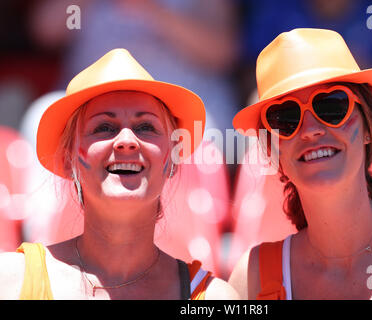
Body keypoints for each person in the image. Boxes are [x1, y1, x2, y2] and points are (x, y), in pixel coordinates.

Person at [228, 28, 372, 300]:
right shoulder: (252, 279)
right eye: (285, 117)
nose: (310, 129)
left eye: (331, 106)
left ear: (370, 127)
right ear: (276, 155)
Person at [0, 48, 238, 300]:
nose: (127, 141)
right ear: (69, 160)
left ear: (173, 160)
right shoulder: (9, 282)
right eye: (104, 127)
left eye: (146, 127)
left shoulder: (215, 298)